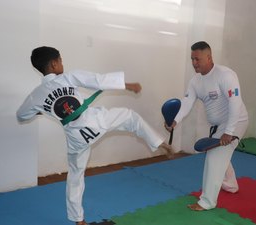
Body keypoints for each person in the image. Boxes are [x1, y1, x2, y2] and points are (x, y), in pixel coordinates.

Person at [16, 46, 173, 225]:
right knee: (130, 117)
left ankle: (79, 221)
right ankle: (161, 143)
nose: (62, 63)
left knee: (75, 177)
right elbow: (98, 81)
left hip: (76, 138)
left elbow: (21, 115)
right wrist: (128, 85)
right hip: (95, 122)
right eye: (60, 60)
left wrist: (40, 110)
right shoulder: (68, 77)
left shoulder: (36, 95)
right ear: (53, 64)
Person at [165, 41, 248, 211]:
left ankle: (207, 202)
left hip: (236, 121)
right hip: (218, 125)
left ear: (209, 57)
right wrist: (175, 121)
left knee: (214, 157)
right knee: (220, 153)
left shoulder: (226, 75)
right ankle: (231, 184)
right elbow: (187, 102)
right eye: (192, 59)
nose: (194, 63)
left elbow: (235, 104)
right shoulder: (196, 81)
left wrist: (229, 132)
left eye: (198, 59)